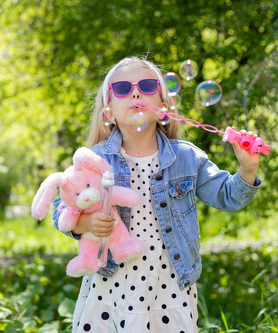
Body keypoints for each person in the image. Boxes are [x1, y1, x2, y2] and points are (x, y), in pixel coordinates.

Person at [52, 56, 262, 332]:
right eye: (123, 89)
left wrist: (247, 168)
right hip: (112, 287)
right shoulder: (94, 159)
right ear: (109, 112)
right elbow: (61, 207)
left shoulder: (187, 157)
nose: (136, 92)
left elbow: (227, 196)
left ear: (164, 107)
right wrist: (86, 224)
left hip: (171, 288)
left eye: (148, 85)